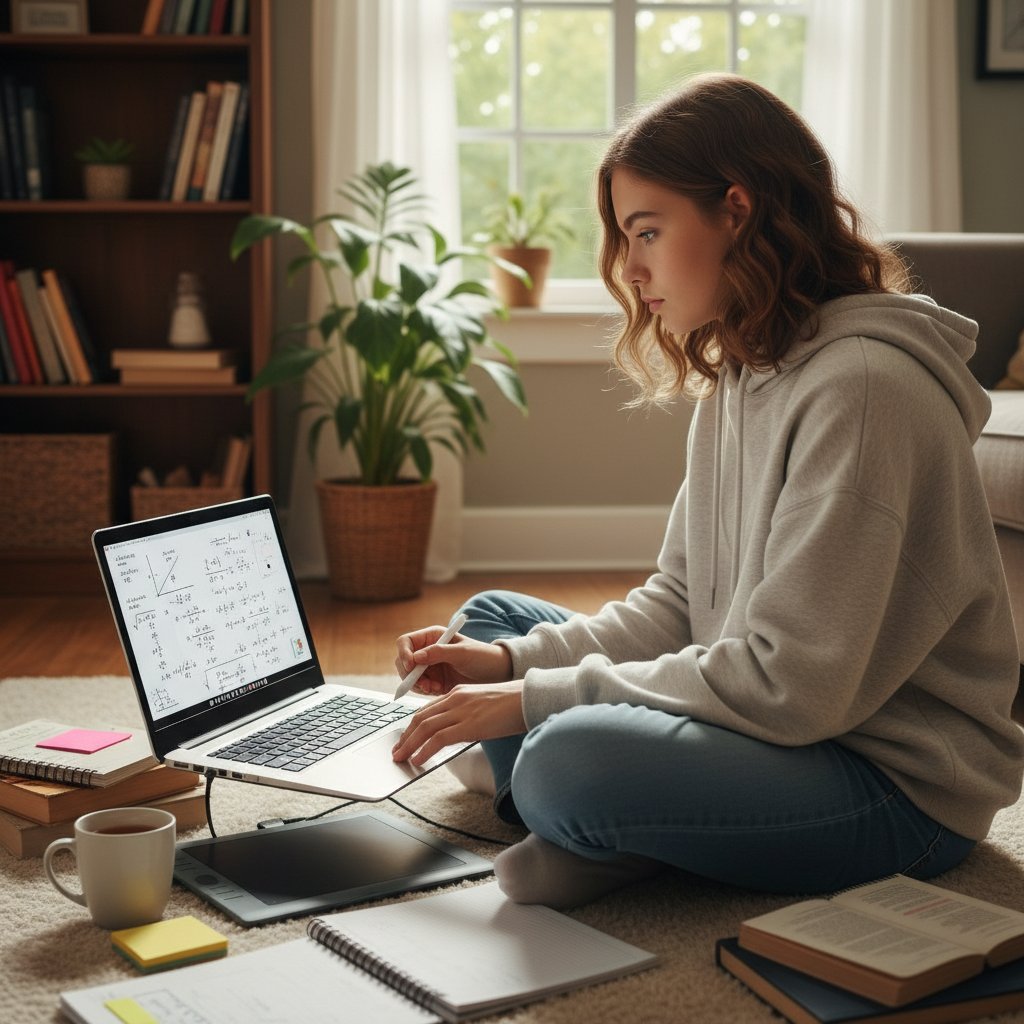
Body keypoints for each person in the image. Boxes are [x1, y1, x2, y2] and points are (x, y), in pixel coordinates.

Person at [391, 73, 1024, 910]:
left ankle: (590, 818)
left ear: (737, 209)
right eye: (624, 238)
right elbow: (681, 606)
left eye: (647, 231)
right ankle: (621, 829)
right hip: (782, 731)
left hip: (889, 781)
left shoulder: (865, 391)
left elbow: (790, 685)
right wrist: (509, 665)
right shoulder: (745, 368)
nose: (630, 268)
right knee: (494, 621)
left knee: (566, 758)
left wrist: (530, 700)